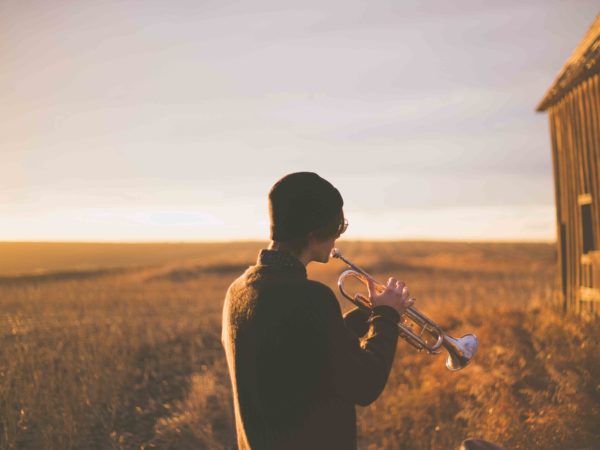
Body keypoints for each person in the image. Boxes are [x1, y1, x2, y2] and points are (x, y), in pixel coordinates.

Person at [221, 172, 414, 450]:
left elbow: (298, 352)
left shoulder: (238, 290)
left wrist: (370, 314)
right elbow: (364, 384)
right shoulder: (311, 298)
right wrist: (386, 318)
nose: (338, 237)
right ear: (314, 234)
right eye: (338, 227)